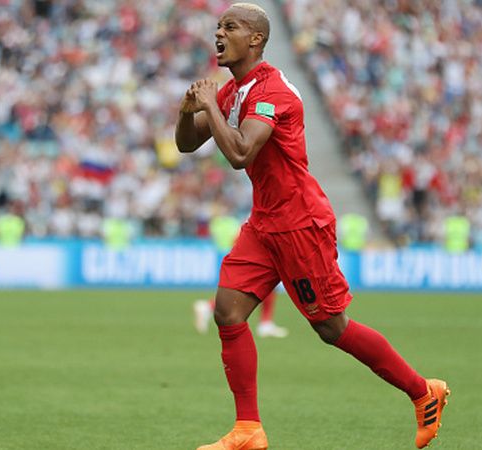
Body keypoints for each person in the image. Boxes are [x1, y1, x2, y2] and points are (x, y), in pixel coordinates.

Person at [174, 4, 449, 450]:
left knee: (331, 328)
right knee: (227, 311)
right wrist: (190, 111)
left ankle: (423, 391)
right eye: (217, 26)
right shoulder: (232, 92)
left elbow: (240, 152)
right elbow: (188, 144)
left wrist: (210, 104)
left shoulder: (271, 92)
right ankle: (248, 430)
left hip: (300, 223)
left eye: (230, 27)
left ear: (256, 39)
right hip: (265, 222)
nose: (218, 33)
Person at [195, 213, 288, 338]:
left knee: (264, 285)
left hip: (250, 246)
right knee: (254, 286)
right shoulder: (271, 209)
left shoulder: (262, 208)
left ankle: (265, 323)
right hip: (254, 248)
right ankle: (209, 306)